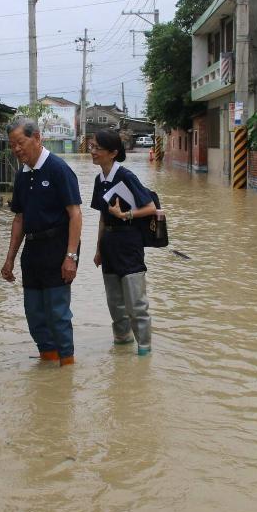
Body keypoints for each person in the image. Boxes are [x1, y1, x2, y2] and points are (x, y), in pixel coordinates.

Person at [0, 117, 82, 366]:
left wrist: (71, 257)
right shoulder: (23, 175)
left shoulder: (58, 169)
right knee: (34, 312)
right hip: (32, 251)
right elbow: (19, 218)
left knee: (57, 313)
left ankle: (67, 367)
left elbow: (75, 214)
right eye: (12, 144)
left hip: (57, 249)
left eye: (20, 143)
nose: (16, 149)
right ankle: (48, 361)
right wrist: (10, 259)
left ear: (37, 138)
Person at [89, 129, 157, 355]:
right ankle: (121, 344)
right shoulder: (100, 179)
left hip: (129, 243)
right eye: (92, 147)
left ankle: (144, 350)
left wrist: (124, 215)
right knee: (115, 304)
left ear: (113, 152)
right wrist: (98, 249)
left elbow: (150, 208)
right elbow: (101, 216)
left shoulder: (126, 176)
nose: (92, 151)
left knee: (136, 304)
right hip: (109, 244)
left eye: (97, 148)